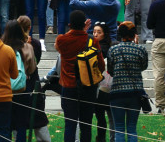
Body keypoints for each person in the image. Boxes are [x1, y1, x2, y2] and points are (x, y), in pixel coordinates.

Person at [56, 10, 104, 142]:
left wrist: (76, 29)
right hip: (88, 87)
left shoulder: (62, 39)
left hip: (68, 87)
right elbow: (101, 66)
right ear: (84, 24)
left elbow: (58, 46)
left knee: (70, 124)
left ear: (70, 24)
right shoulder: (92, 41)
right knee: (86, 125)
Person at [108, 21, 148, 142]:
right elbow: (143, 67)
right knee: (131, 128)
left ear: (120, 34)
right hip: (135, 94)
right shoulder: (140, 50)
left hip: (117, 93)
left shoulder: (113, 50)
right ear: (134, 34)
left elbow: (110, 70)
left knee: (119, 128)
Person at [149, 0, 165, 114]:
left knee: (159, 74)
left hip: (160, 40)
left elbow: (149, 24)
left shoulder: (156, 5)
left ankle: (160, 104)